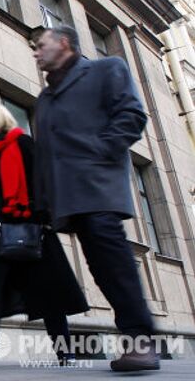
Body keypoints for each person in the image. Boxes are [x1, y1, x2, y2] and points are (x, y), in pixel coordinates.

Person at [32, 25, 157, 371]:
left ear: (63, 43)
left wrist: (100, 151)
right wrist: (42, 202)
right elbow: (45, 152)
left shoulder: (105, 69)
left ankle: (140, 341)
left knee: (114, 264)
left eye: (41, 45)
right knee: (101, 267)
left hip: (99, 186)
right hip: (70, 198)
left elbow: (132, 115)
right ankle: (135, 335)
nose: (36, 51)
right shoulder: (45, 98)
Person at [0, 105, 89, 365]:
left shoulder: (22, 143)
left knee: (49, 295)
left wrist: (44, 215)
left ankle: (65, 352)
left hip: (32, 226)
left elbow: (44, 178)